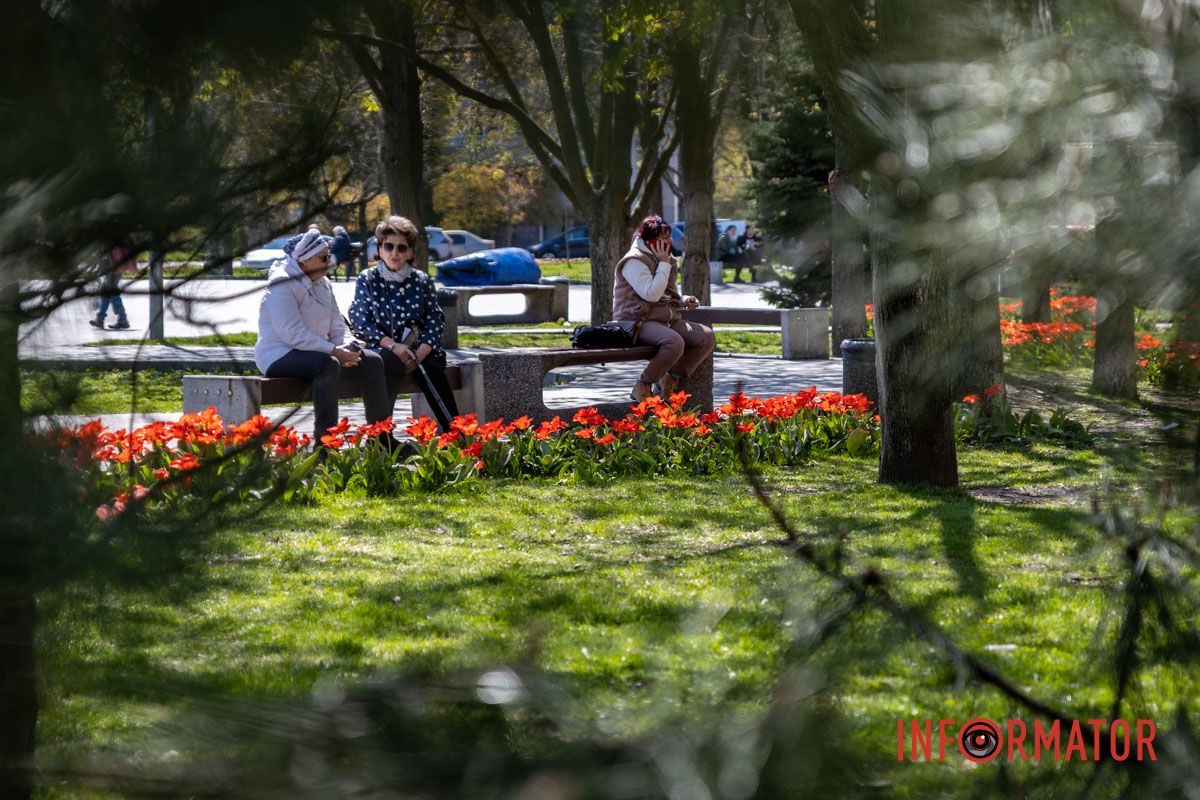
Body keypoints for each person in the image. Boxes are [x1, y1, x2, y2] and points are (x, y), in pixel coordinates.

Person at [254, 228, 391, 443]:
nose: (330, 261)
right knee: (327, 365)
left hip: (320, 354)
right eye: (324, 257)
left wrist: (348, 346)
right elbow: (293, 334)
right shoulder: (281, 285)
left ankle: (383, 439)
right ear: (305, 260)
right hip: (279, 355)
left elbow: (337, 323)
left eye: (330, 256)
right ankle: (326, 445)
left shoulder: (323, 284)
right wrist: (334, 351)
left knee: (372, 361)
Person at [348, 215, 461, 432]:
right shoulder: (368, 279)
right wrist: (393, 345)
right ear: (380, 249)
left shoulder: (421, 280)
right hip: (384, 348)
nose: (394, 253)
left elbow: (435, 319)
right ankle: (381, 436)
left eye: (402, 248)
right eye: (389, 246)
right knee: (386, 364)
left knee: (431, 371)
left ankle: (456, 434)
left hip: (420, 350)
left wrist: (420, 352)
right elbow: (361, 321)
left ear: (410, 252)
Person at [611, 215, 716, 402]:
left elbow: (666, 292)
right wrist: (664, 264)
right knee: (674, 342)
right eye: (664, 238)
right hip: (635, 321)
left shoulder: (664, 259)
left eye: (669, 237)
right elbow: (650, 294)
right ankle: (643, 384)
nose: (669, 242)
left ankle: (670, 378)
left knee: (705, 337)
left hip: (663, 318)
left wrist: (683, 300)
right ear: (650, 241)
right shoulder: (634, 261)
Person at [90, 244, 136, 329]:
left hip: (113, 267)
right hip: (115, 266)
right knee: (107, 292)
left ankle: (122, 319)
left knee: (111, 293)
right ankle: (101, 319)